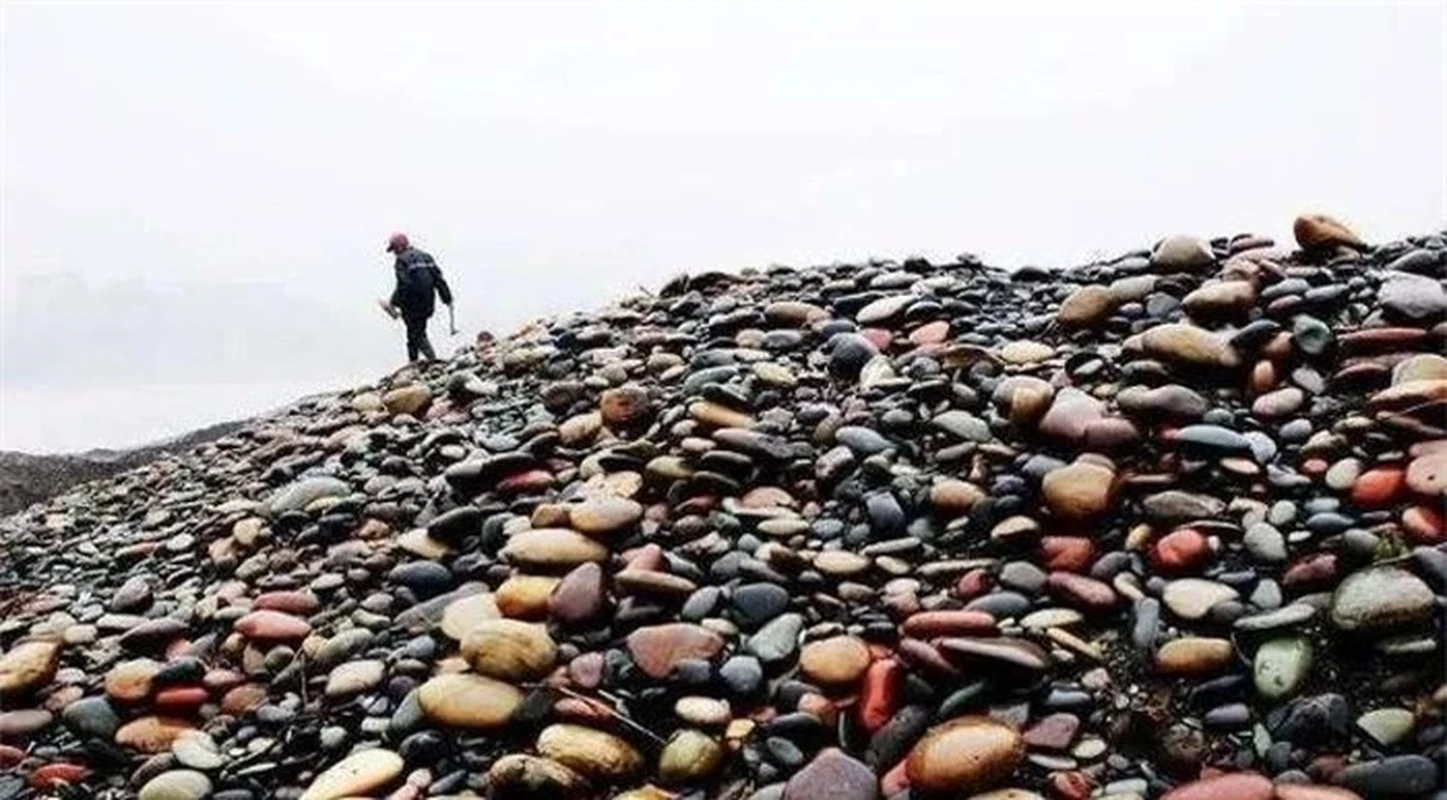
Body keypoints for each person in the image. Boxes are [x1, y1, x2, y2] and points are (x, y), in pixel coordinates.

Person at [382, 233, 453, 362]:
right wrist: (447, 298)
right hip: (428, 303)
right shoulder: (426, 257)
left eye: (394, 250)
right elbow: (438, 280)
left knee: (413, 336)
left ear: (399, 247)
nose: (394, 254)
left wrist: (394, 303)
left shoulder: (401, 260)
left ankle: (419, 362)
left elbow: (404, 284)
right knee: (419, 331)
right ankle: (428, 360)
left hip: (412, 304)